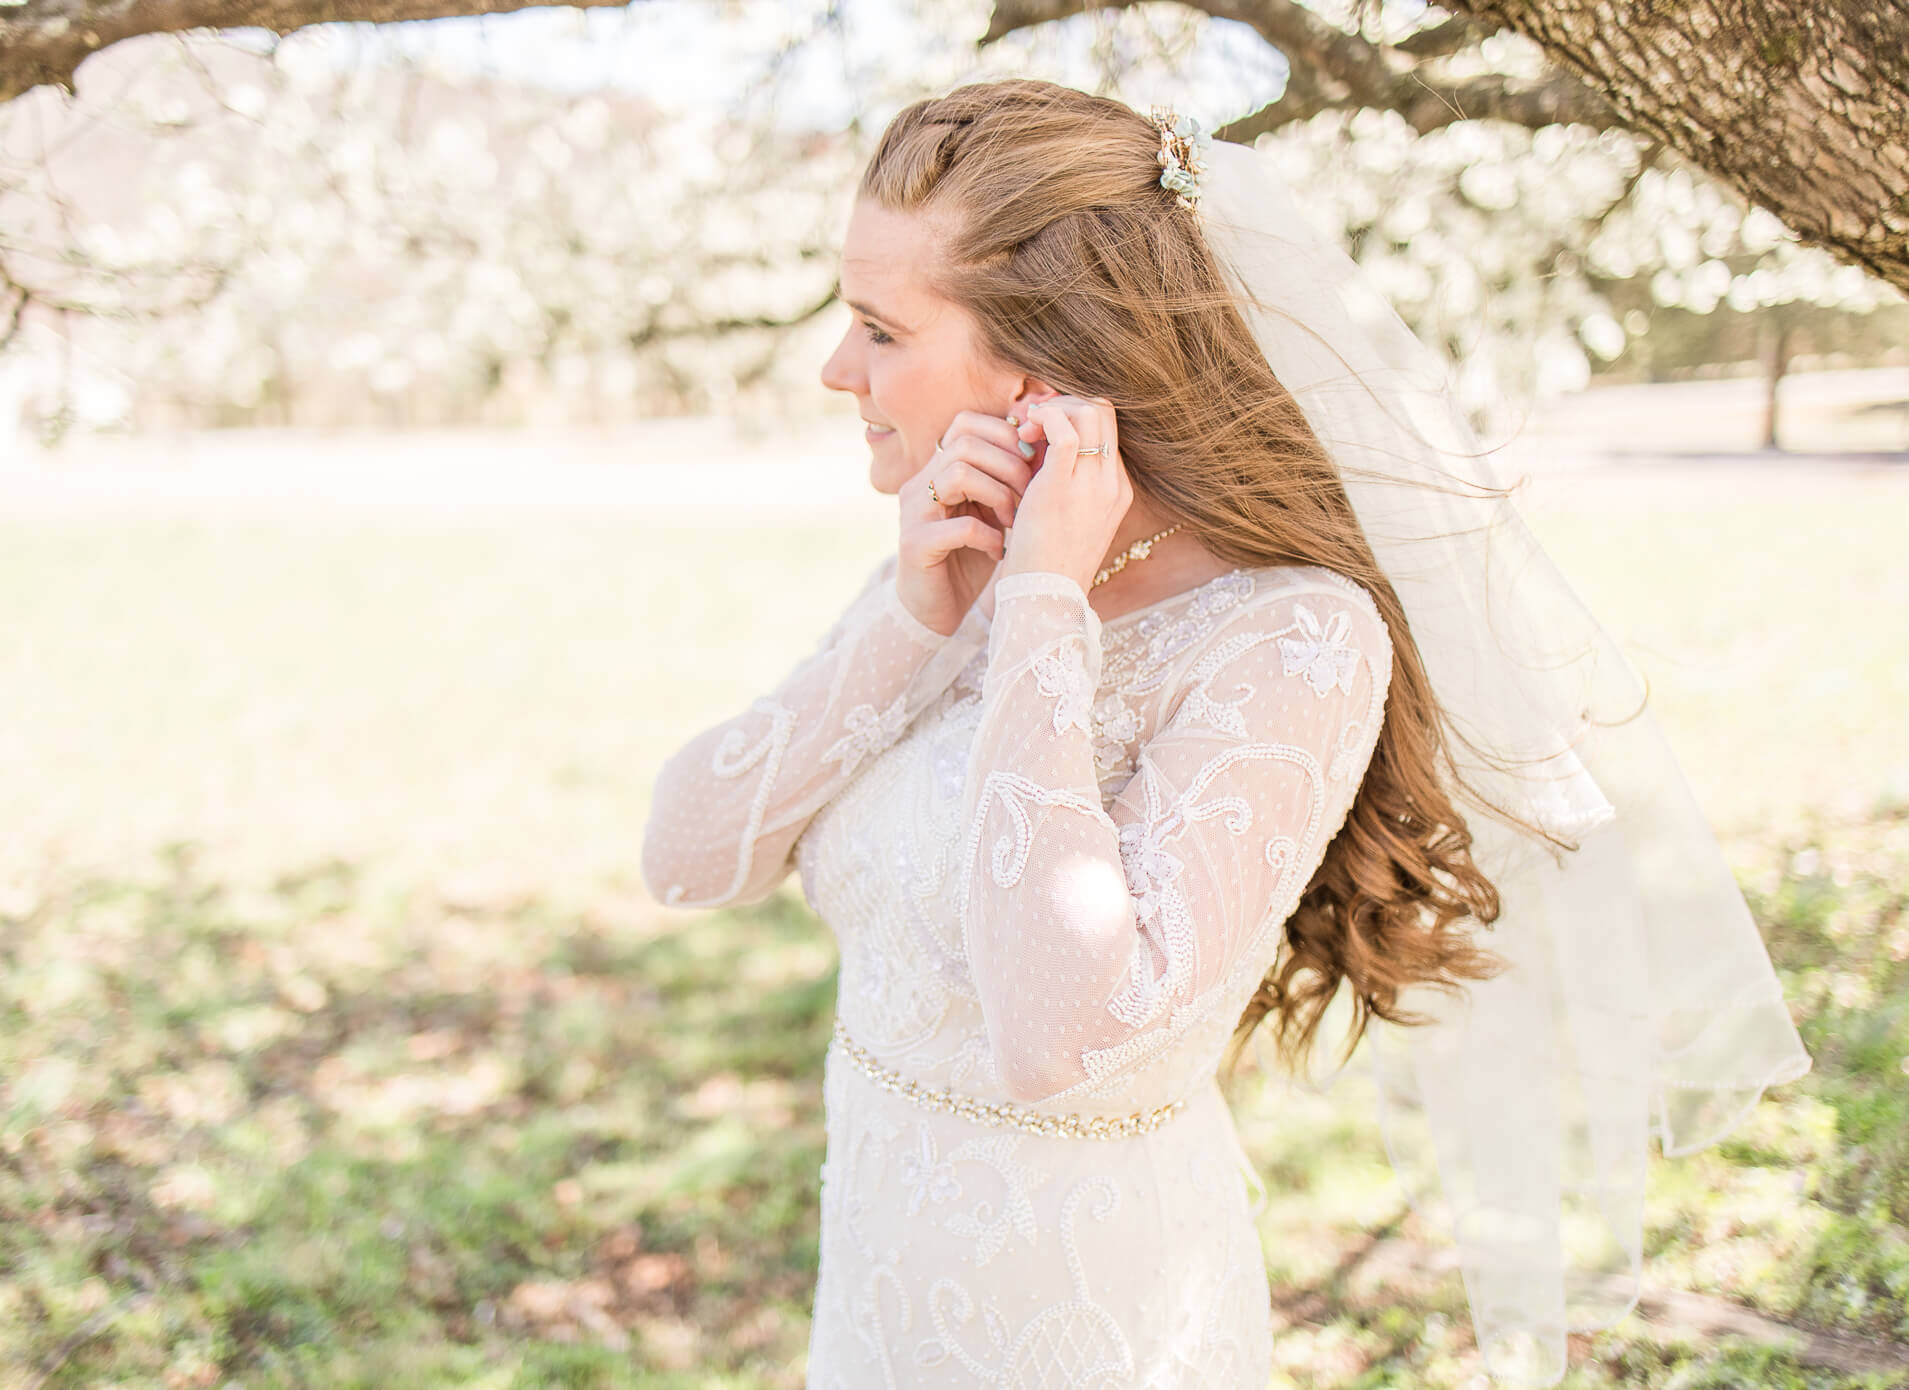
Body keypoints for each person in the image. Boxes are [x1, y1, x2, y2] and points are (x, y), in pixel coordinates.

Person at [641, 78, 1809, 1388]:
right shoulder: (943, 559)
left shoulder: (1291, 639)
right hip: (875, 1296)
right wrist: (911, 619)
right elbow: (688, 859)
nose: (835, 369)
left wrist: (1040, 607)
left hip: (1093, 1326)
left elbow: (1051, 1040)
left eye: (878, 327)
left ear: (1045, 369)